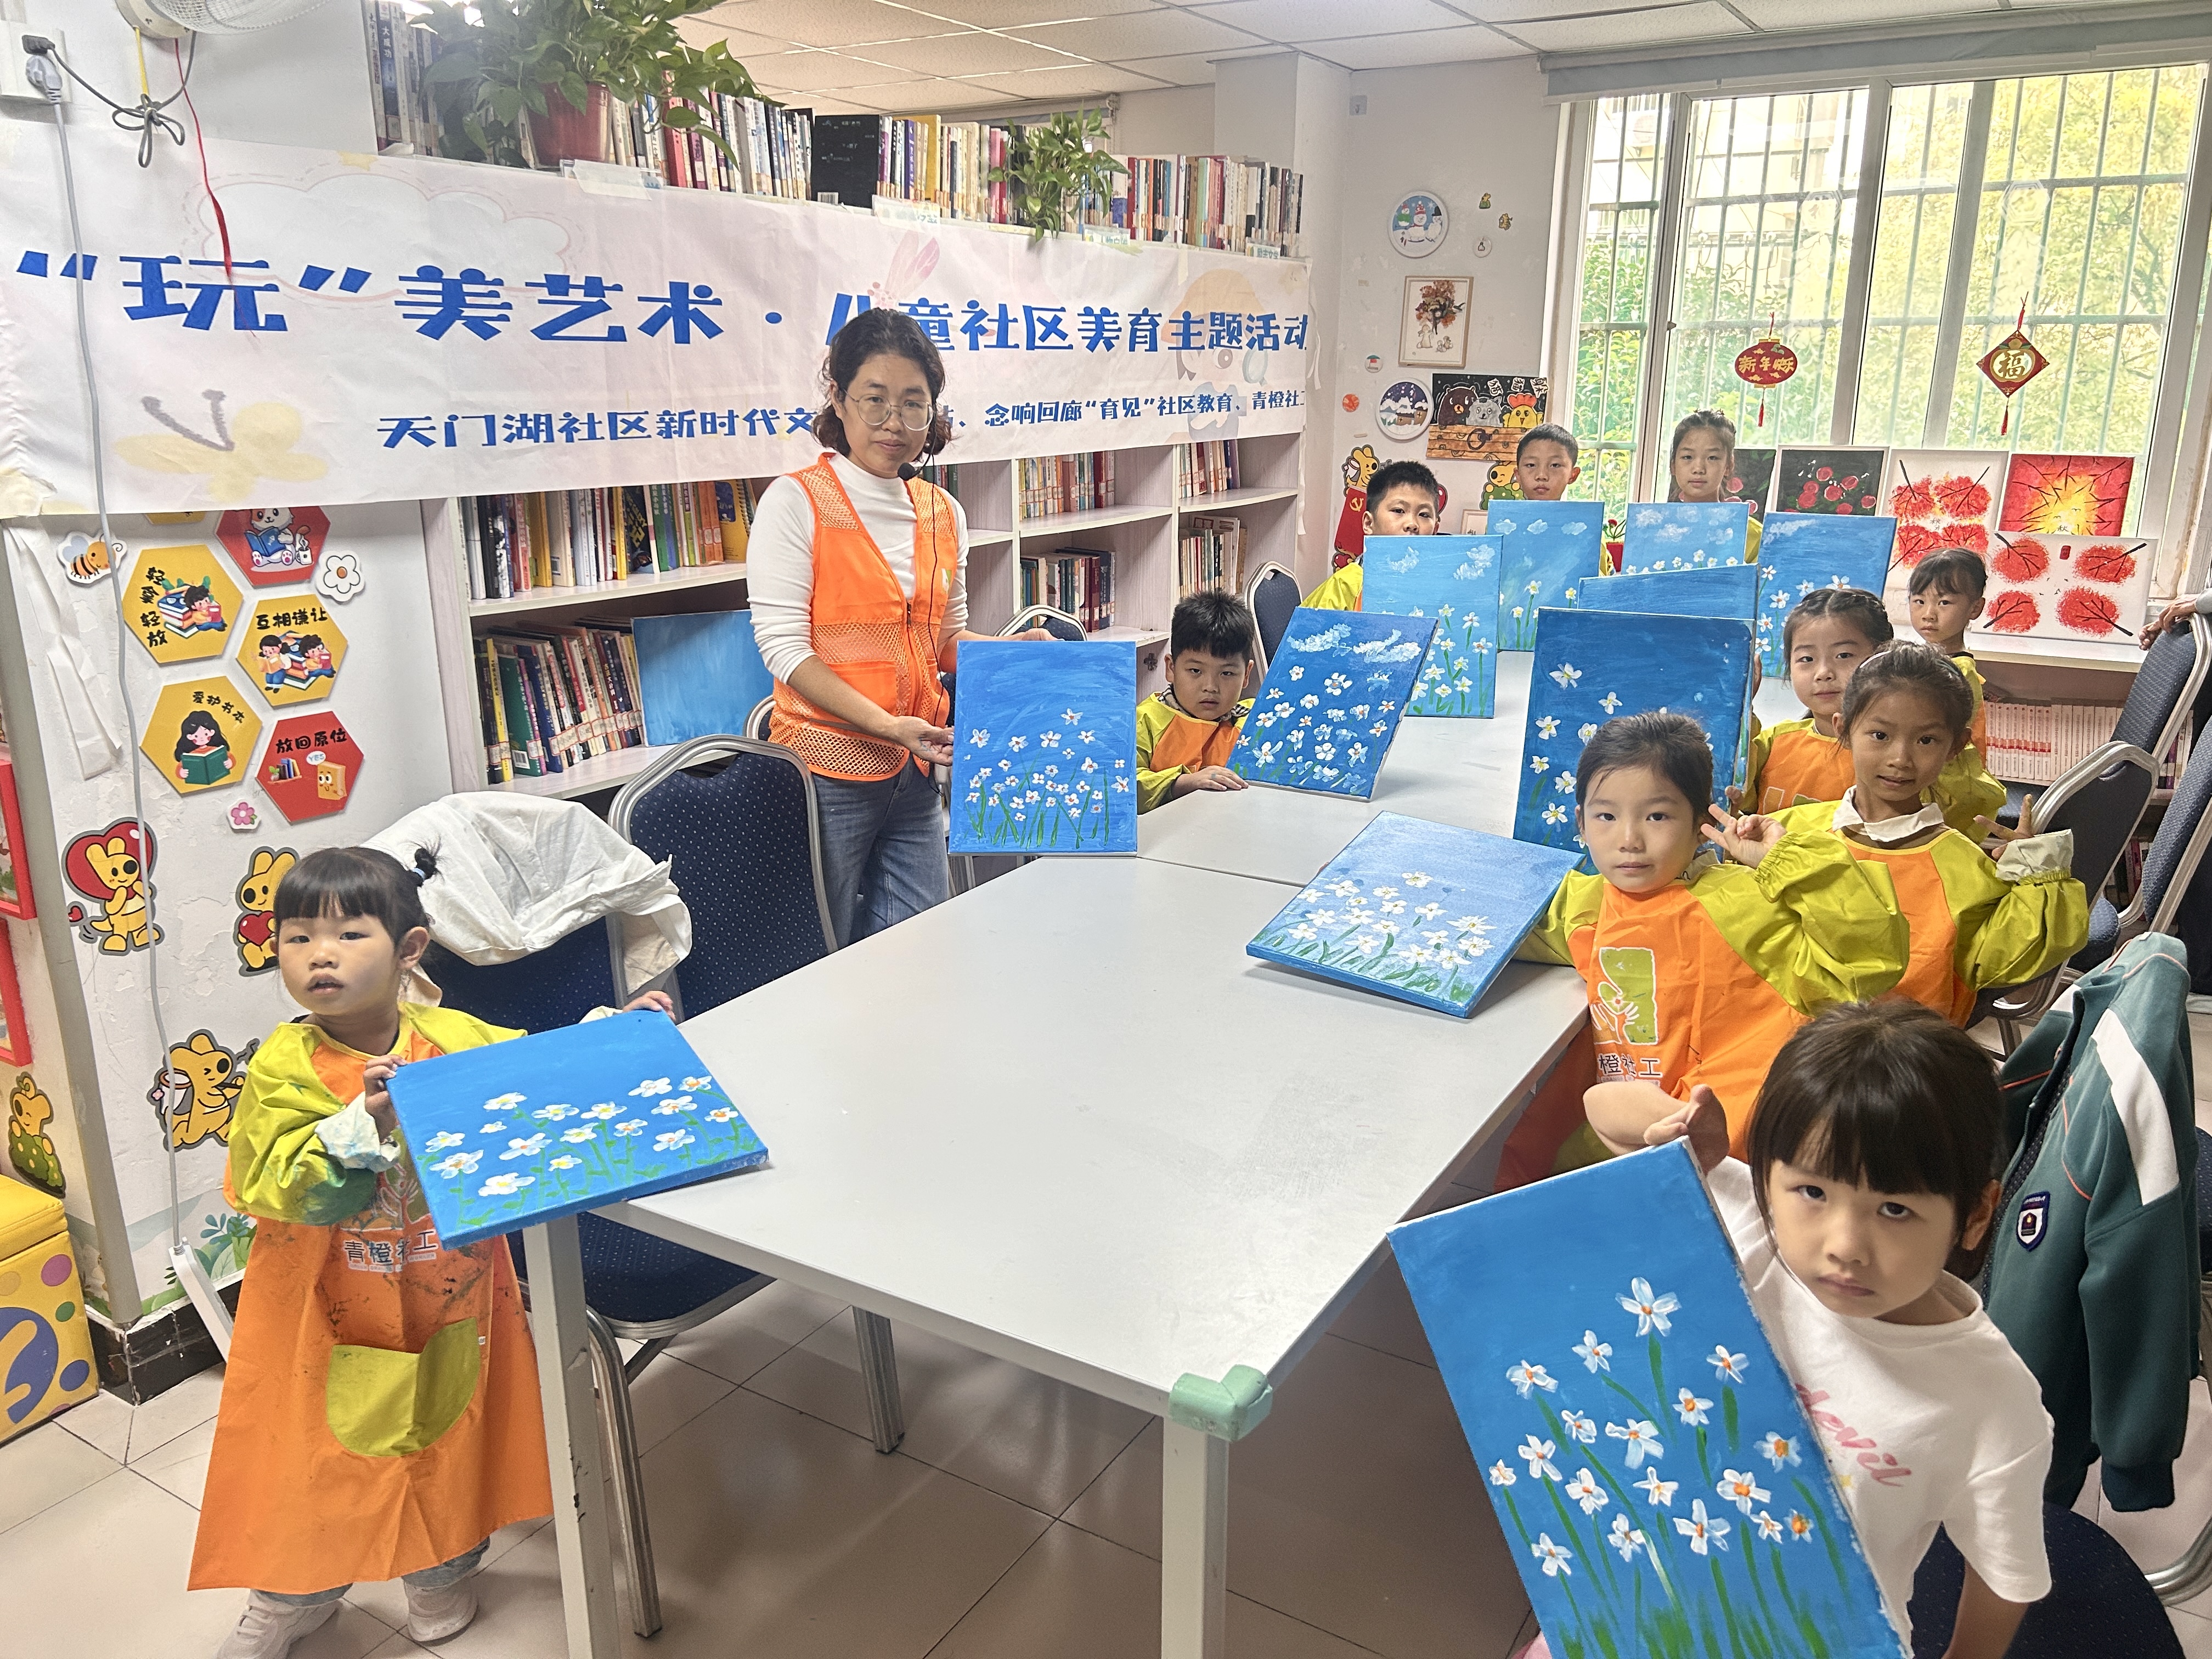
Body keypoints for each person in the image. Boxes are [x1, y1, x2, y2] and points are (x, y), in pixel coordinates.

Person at [192, 847, 673, 1658]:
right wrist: (364, 1123)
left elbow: (532, 1074)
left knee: (450, 1431)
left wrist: (613, 1035)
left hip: (448, 1293)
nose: (319, 955)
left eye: (348, 935)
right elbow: (268, 1180)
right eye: (298, 938)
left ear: (410, 948)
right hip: (320, 1306)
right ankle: (293, 1593)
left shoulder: (451, 1037)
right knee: (308, 1454)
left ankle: (441, 1573)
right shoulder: (283, 1066)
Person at [1526, 1003, 2051, 1658]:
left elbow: (2006, 1572)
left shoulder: (1991, 1399)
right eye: (1813, 1193)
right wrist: (1684, 1129)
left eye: (1894, 1209)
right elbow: (1601, 1107)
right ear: (1769, 1179)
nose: (1844, 1245)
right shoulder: (1745, 1225)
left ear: (1974, 1215)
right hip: (1643, 1601)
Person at [749, 308, 1046, 946]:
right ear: (838, 398)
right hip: (826, 771)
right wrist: (888, 726)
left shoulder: (944, 511)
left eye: (913, 404)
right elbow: (783, 649)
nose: (894, 423)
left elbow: (943, 640)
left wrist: (1009, 652)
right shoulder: (795, 501)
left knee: (924, 946)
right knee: (823, 951)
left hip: (913, 769)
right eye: (875, 399)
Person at [1514, 712, 1905, 1164]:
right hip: (1625, 1134)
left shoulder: (1745, 902)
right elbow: (1498, 929)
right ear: (1580, 823)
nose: (1629, 840)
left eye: (1657, 816)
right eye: (1606, 816)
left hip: (1736, 1145)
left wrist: (1787, 860)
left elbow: (1864, 964)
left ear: (1702, 820)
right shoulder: (1586, 905)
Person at [1773, 644, 2086, 1024]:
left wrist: (2038, 878)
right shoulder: (1790, 833)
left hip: (1906, 1050)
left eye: (1926, 741)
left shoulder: (1963, 868)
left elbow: (2006, 958)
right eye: (1880, 735)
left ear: (1955, 746)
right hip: (1787, 1039)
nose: (1900, 759)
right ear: (1844, 730)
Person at [1744, 588, 2003, 836]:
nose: (1823, 673)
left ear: (1881, 659)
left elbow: (1960, 816)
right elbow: (1740, 802)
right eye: (1807, 659)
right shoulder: (1775, 741)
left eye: (1844, 655)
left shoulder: (1901, 756)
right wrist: (1740, 711)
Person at [1137, 591, 1257, 811]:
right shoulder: (1145, 721)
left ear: (1247, 674)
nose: (1210, 686)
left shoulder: (1255, 720)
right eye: (1195, 671)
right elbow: (1123, 784)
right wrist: (1183, 783)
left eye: (1227, 673)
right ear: (1171, 668)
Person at [1304, 459, 1441, 611]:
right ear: (1369, 523)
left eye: (1424, 515)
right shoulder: (1344, 587)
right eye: (1399, 511)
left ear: (1435, 530)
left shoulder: (1440, 585)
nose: (1412, 524)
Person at [1908, 548, 1992, 757]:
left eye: (1944, 603)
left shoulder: (1959, 671)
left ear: (1975, 608)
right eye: (1919, 601)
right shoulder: (1921, 659)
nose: (1928, 614)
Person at [1666, 408, 1761, 561]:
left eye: (1712, 458)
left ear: (1729, 465)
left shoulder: (1753, 535)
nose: (1699, 469)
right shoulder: (1651, 528)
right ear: (1673, 465)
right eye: (1688, 457)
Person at [1512, 423, 1582, 501]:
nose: (1541, 476)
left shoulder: (1586, 510)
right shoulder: (1504, 509)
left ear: (1573, 475)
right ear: (1518, 475)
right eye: (1531, 465)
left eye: (1555, 465)